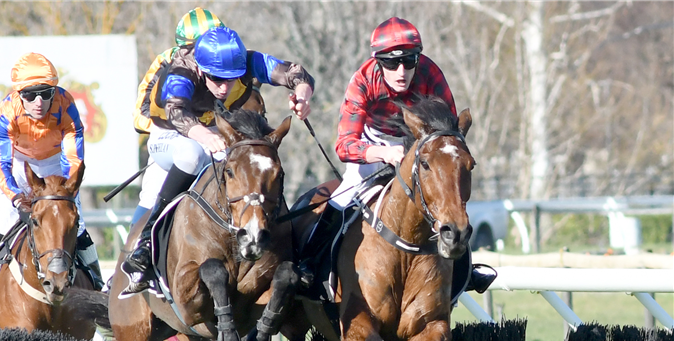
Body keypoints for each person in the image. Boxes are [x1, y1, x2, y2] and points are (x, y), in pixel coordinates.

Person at [299, 17, 494, 293]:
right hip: (373, 142)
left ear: (418, 58)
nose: (401, 71)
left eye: (409, 61)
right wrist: (382, 152)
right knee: (343, 195)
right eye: (391, 63)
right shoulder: (364, 79)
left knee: (446, 194)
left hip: (420, 142)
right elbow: (344, 145)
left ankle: (465, 271)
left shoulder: (430, 73)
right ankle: (309, 261)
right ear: (379, 61)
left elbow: (448, 131)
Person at [120, 25, 315, 295]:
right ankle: (146, 245)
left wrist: (303, 95)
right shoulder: (183, 69)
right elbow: (176, 112)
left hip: (213, 128)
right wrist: (202, 135)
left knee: (255, 158)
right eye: (216, 79)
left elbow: (295, 72)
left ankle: (288, 250)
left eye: (231, 79)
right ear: (201, 68)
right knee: (193, 154)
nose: (224, 88)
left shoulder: (247, 61)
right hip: (171, 132)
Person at [0, 52, 104, 317]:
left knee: (75, 222)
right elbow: (1, 163)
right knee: (2, 220)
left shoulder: (66, 104)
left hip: (53, 163)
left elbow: (73, 155)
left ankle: (97, 283)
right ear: (19, 94)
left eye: (46, 93)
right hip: (17, 162)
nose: (39, 102)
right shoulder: (6, 112)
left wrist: (64, 191)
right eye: (30, 95)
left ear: (55, 91)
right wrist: (16, 197)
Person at [130, 7, 225, 226]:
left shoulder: (227, 61)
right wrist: (186, 129)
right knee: (151, 194)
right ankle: (137, 248)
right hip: (172, 139)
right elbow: (140, 116)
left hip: (215, 136)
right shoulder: (166, 63)